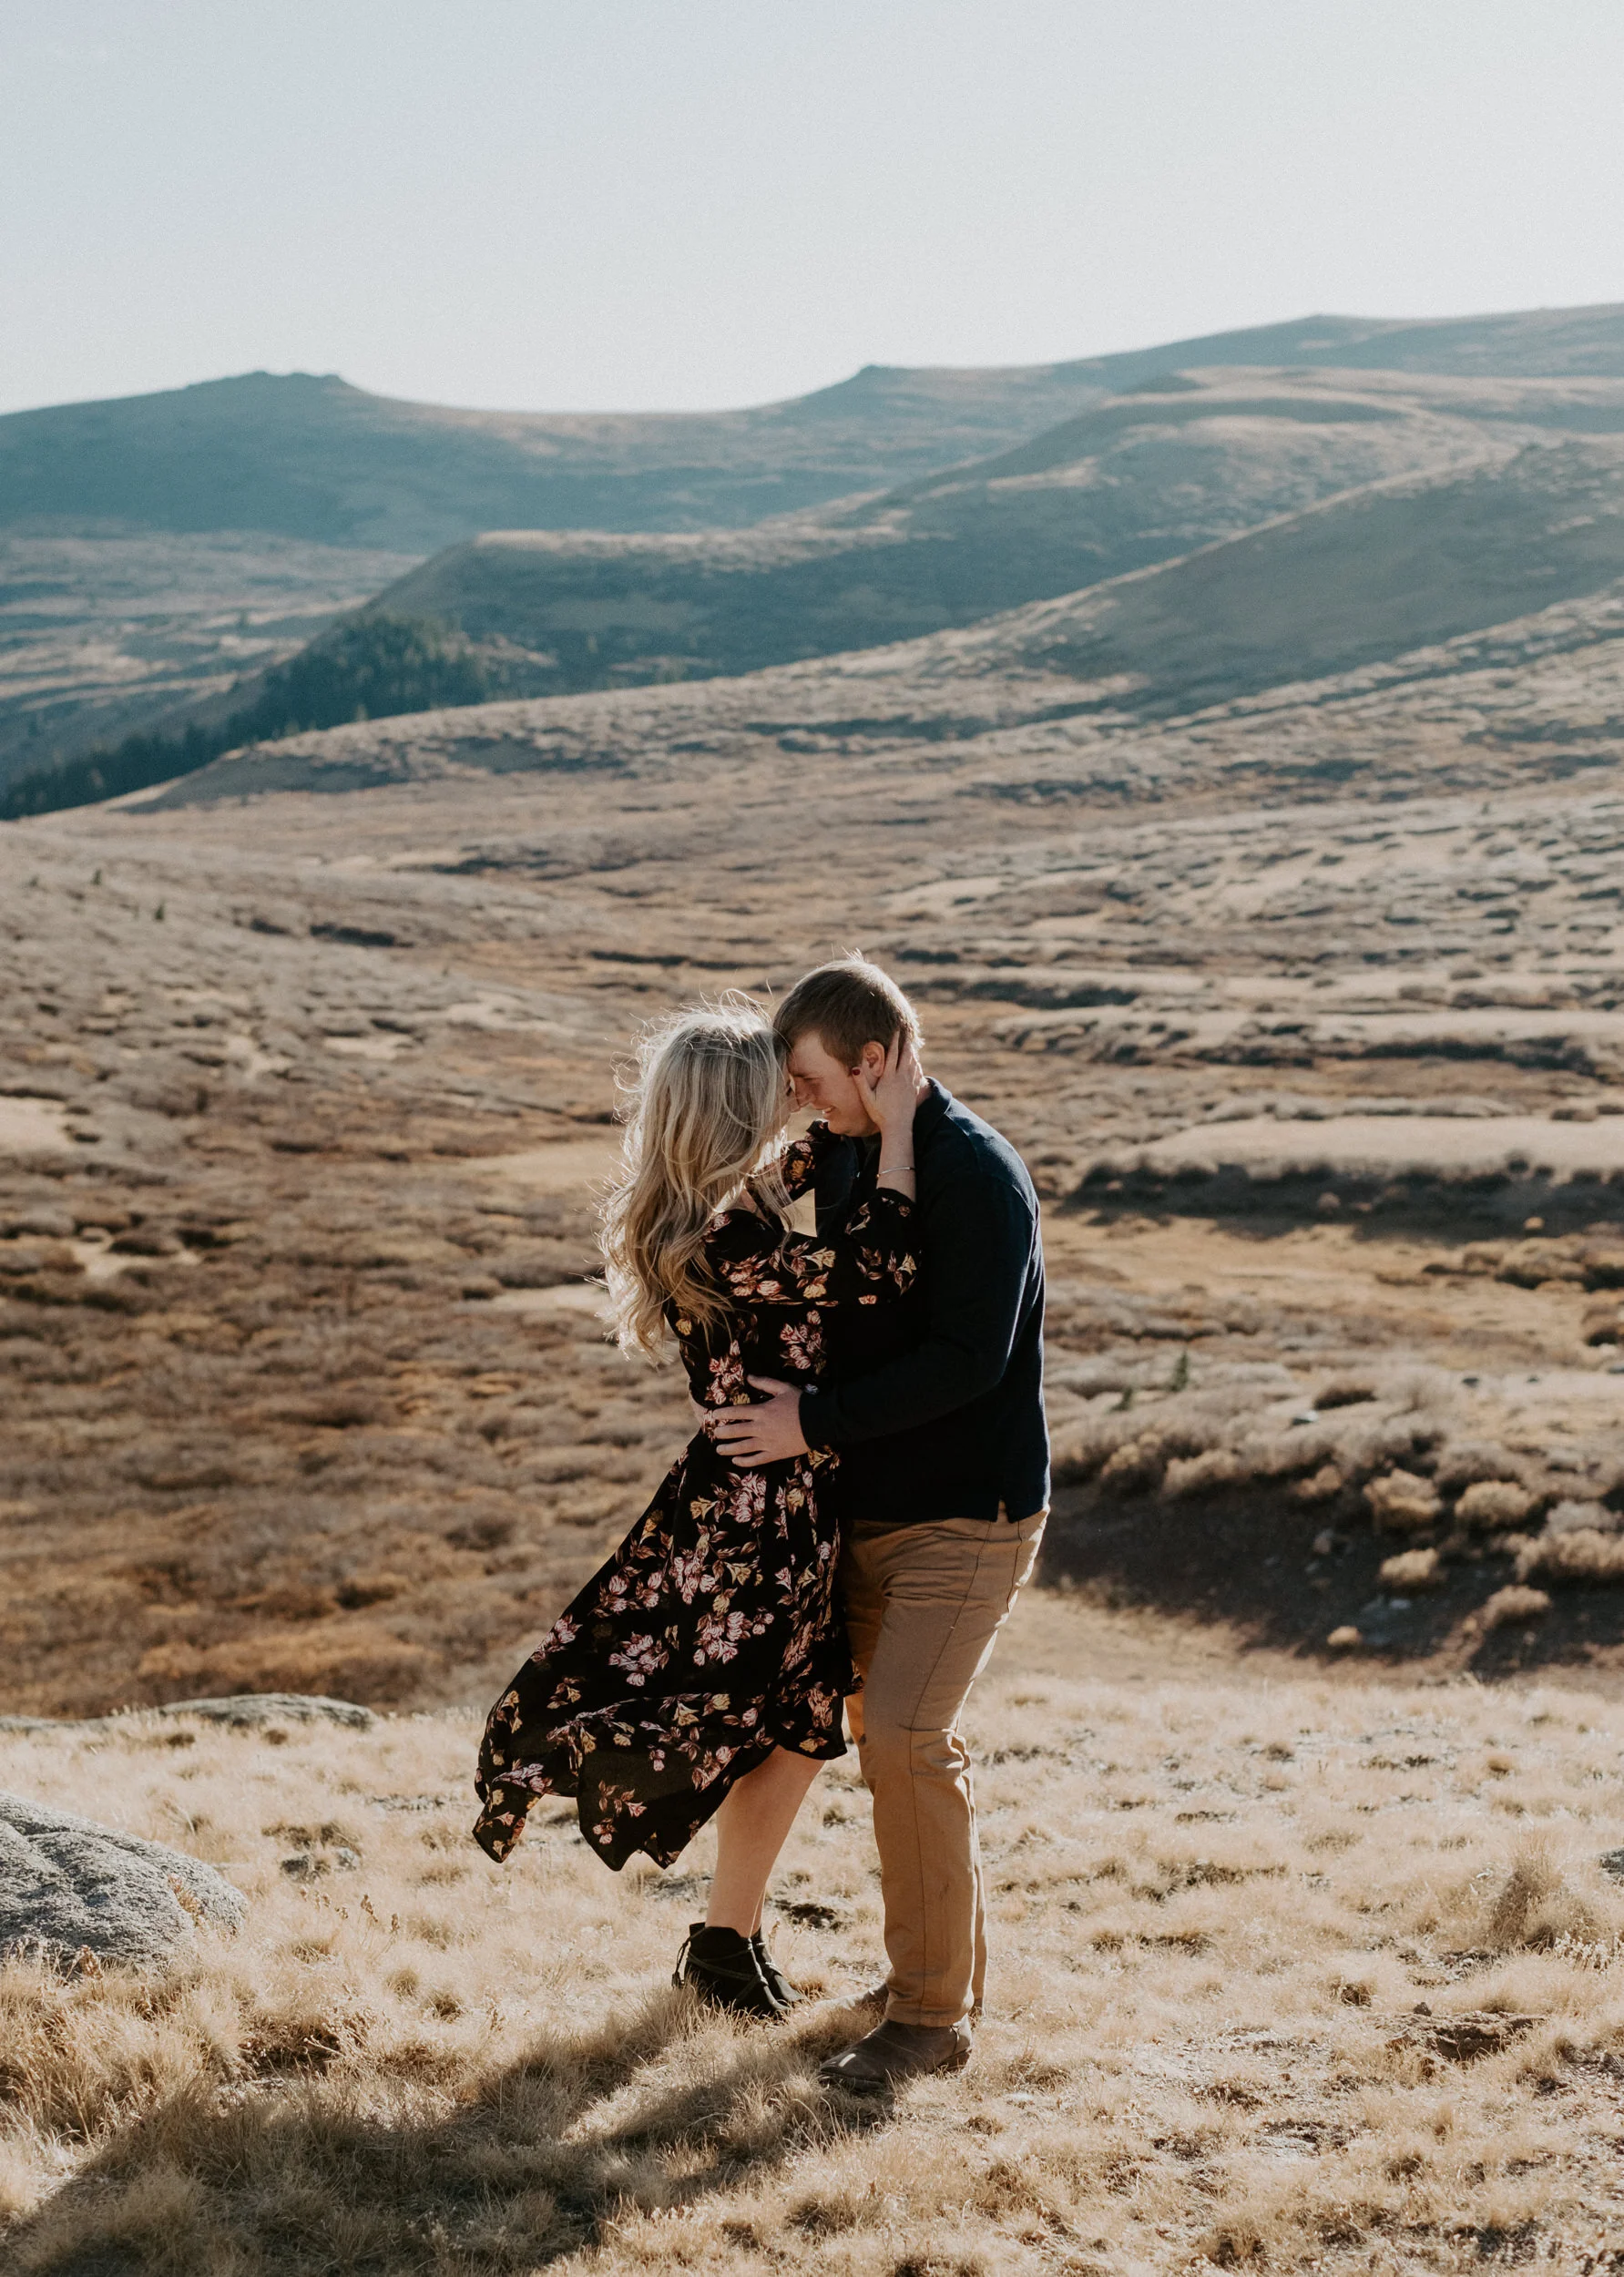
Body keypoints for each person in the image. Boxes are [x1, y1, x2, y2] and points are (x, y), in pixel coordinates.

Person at [472, 997, 923, 2018]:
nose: (794, 1104)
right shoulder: (723, 1236)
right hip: (756, 1519)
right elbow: (884, 1270)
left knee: (798, 1723)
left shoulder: (720, 1206)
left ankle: (726, 1939)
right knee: (751, 1721)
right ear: (735, 1112)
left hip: (771, 1504)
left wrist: (838, 1119)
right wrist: (895, 1130)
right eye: (778, 1092)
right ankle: (718, 1936)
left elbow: (791, 1174)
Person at [711, 957, 1048, 2090]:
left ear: (872, 1062)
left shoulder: (976, 1176)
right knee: (889, 1744)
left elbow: (967, 1361)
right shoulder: (859, 1148)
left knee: (903, 1739)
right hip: (871, 1508)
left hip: (967, 1508)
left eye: (810, 1077)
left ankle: (925, 2023)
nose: (800, 1098)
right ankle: (935, 1981)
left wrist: (810, 1420)